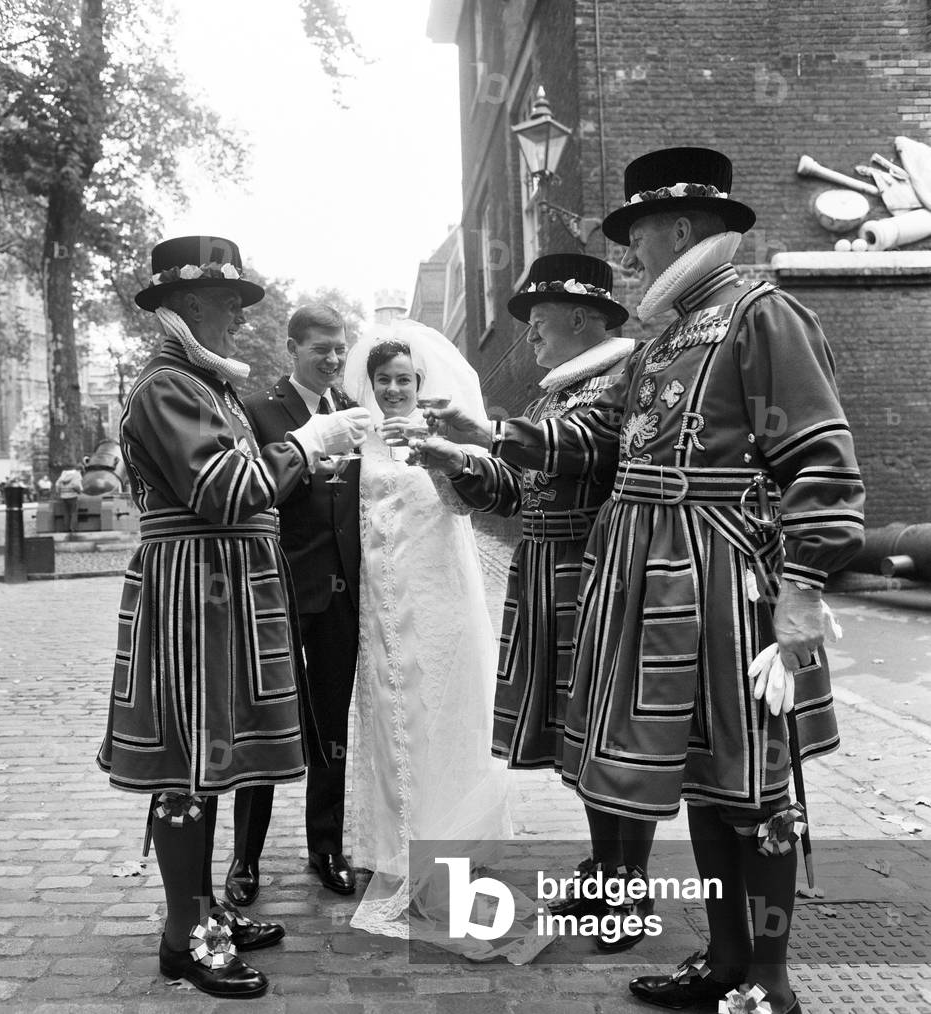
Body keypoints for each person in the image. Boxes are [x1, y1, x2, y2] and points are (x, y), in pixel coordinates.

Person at [432, 148, 865, 1013]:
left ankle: (768, 983)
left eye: (635, 236)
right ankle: (723, 957)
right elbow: (599, 441)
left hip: (722, 572)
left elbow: (819, 455)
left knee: (754, 781)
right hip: (652, 576)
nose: (626, 256)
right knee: (706, 781)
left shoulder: (759, 313)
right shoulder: (667, 329)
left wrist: (805, 585)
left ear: (678, 228)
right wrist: (494, 437)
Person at [95, 235, 370, 999]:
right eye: (225, 304)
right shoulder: (166, 386)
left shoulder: (202, 382)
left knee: (212, 759)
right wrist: (307, 444)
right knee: (190, 760)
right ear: (182, 307)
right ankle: (186, 933)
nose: (237, 319)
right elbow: (224, 489)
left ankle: (205, 907)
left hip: (223, 592)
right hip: (193, 592)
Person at [419, 253, 658, 952]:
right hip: (547, 568)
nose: (528, 340)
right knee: (576, 735)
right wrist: (457, 461)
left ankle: (627, 882)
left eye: (538, 325)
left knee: (612, 732)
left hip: (599, 569)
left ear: (581, 318)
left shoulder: (624, 378)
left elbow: (588, 447)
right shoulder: (550, 395)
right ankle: (604, 865)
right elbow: (516, 490)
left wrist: (487, 433)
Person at [339, 319, 522, 949]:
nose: (393, 389)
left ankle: (447, 839)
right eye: (384, 380)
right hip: (380, 604)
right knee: (394, 717)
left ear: (421, 383)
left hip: (438, 595)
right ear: (371, 384)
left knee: (441, 713)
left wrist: (444, 458)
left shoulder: (441, 436)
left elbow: (468, 503)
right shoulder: (355, 440)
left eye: (403, 380)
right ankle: (397, 848)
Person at [227, 305, 361, 904]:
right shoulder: (258, 412)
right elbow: (255, 492)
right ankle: (244, 860)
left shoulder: (353, 413)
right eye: (319, 349)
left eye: (339, 348)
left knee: (331, 724)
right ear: (291, 348)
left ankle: (325, 847)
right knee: (266, 724)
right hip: (278, 591)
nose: (332, 359)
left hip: (340, 594)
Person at [55, 465, 84, 536]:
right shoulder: (76, 474)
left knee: (66, 514)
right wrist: (79, 491)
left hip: (64, 497)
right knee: (73, 513)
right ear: (79, 470)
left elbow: (57, 485)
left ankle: (66, 528)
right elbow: (76, 485)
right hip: (73, 497)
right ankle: (73, 528)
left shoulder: (63, 475)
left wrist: (59, 493)